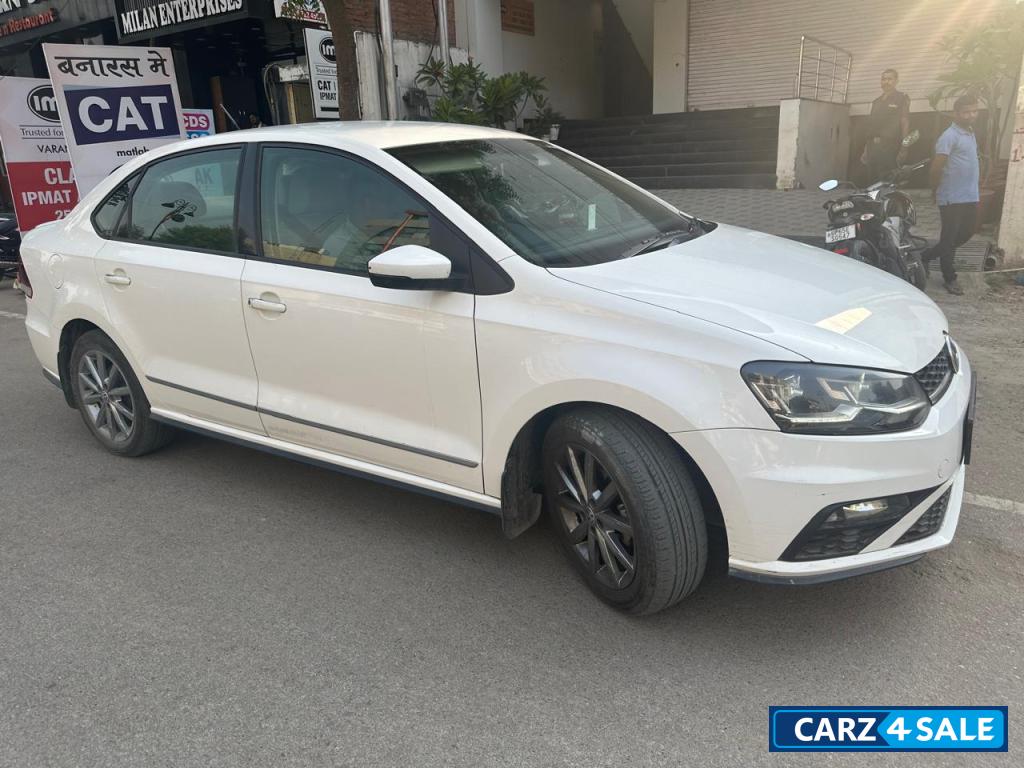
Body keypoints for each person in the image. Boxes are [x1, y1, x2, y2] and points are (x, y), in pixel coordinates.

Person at [922, 94, 980, 296]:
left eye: (974, 111)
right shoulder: (949, 136)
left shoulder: (970, 132)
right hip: (951, 196)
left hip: (970, 194)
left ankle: (927, 255)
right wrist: (934, 189)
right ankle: (949, 277)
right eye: (966, 112)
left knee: (968, 232)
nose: (971, 115)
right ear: (956, 113)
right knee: (949, 238)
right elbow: (936, 167)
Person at [863, 69, 911, 183]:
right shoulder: (876, 102)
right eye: (884, 79)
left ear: (896, 81)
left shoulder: (902, 98)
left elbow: (905, 123)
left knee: (888, 181)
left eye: (890, 79)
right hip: (872, 147)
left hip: (889, 146)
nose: (886, 82)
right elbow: (872, 127)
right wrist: (865, 150)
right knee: (872, 182)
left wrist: (904, 148)